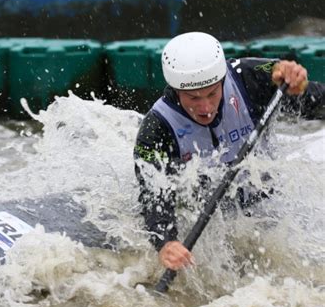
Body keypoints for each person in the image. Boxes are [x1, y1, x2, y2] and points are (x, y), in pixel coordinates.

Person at [133, 32, 325, 271]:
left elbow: (315, 99)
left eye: (212, 93)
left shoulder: (251, 76)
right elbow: (153, 195)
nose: (205, 107)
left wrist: (300, 85)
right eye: (193, 98)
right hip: (209, 222)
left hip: (268, 209)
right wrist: (165, 243)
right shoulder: (156, 129)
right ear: (175, 89)